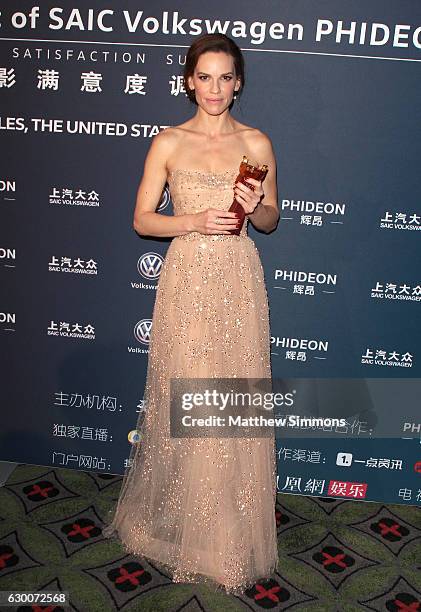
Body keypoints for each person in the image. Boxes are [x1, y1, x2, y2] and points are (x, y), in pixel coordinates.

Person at [103, 33, 280, 595]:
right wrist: (193, 221)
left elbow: (272, 219)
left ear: (239, 83)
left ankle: (227, 532)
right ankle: (183, 526)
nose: (215, 89)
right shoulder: (168, 142)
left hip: (238, 279)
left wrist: (260, 207)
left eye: (226, 77)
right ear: (188, 81)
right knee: (189, 392)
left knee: (231, 399)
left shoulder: (257, 143)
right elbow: (141, 220)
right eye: (205, 77)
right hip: (187, 279)